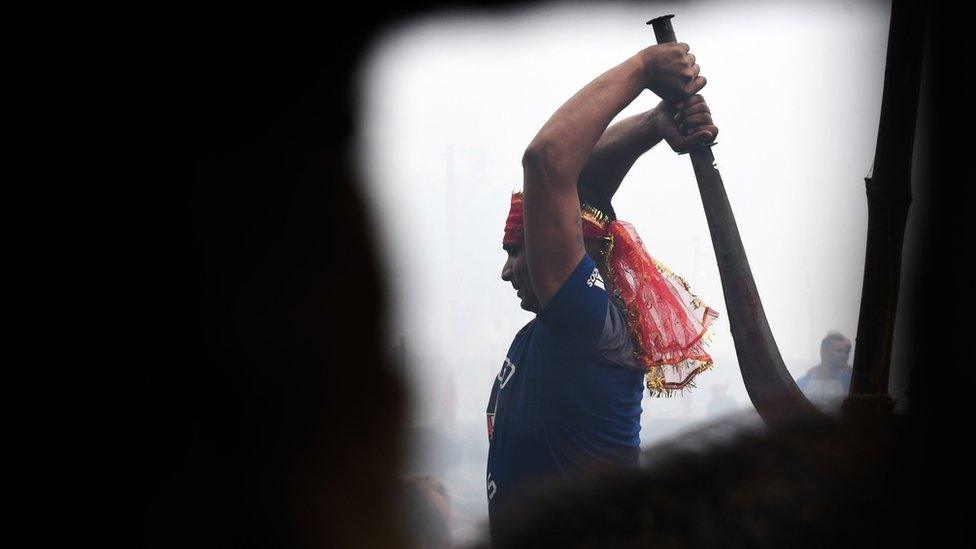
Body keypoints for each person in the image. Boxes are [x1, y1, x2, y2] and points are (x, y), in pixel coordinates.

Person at [486, 42, 720, 537]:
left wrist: (643, 68)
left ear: (572, 253)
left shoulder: (584, 324)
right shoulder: (575, 321)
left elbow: (548, 162)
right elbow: (583, 185)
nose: (507, 271)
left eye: (515, 251)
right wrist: (654, 124)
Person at [796, 331, 853, 409]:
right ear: (824, 352)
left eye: (846, 352)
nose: (844, 355)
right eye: (839, 351)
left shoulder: (849, 382)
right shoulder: (802, 382)